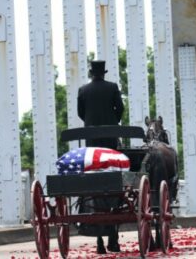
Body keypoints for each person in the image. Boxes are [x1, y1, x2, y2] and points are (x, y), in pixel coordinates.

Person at [76, 60, 124, 253]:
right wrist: (112, 123)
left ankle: (99, 241)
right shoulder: (112, 88)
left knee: (94, 184)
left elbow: (81, 113)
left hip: (92, 143)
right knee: (115, 180)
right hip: (110, 141)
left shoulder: (83, 90)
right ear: (103, 73)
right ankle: (113, 237)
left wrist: (91, 125)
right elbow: (120, 109)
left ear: (91, 73)